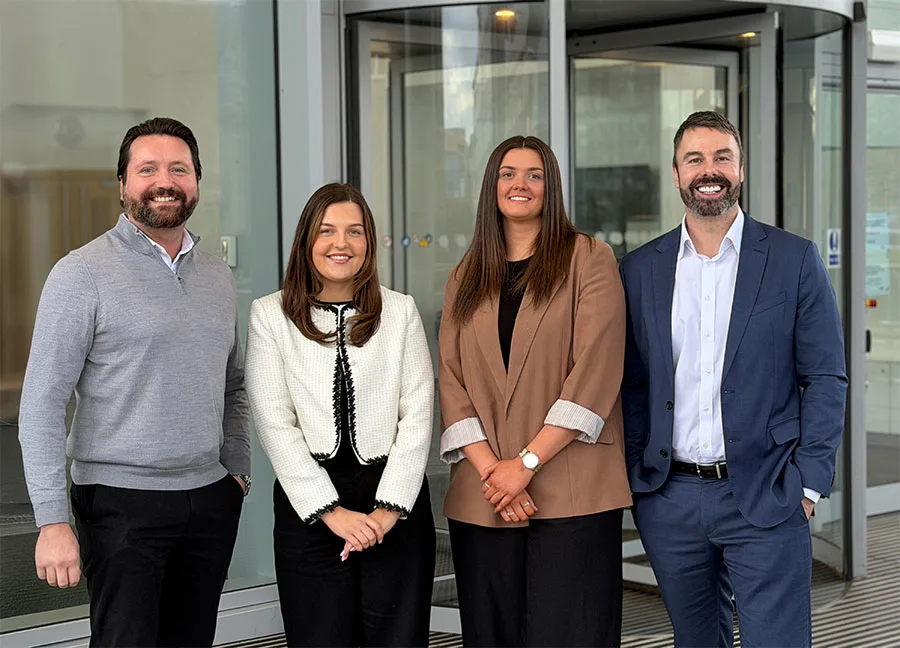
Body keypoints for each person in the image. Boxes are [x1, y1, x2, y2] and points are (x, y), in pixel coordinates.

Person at [18, 117, 251, 647]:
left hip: (209, 497)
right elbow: (41, 405)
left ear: (196, 181)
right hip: (120, 503)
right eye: (147, 169)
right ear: (123, 184)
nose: (163, 180)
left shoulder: (216, 275)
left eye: (178, 168)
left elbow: (232, 386)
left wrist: (236, 473)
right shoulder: (81, 274)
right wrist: (52, 519)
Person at [620, 111, 847, 648]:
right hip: (669, 499)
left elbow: (826, 377)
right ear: (676, 174)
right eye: (694, 158)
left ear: (740, 169)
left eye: (722, 156)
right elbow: (631, 382)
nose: (709, 169)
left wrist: (808, 483)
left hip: (768, 493)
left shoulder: (793, 259)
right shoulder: (638, 269)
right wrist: (636, 473)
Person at [438, 135, 631, 648]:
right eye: (507, 173)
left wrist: (522, 465)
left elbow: (596, 370)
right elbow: (451, 379)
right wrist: (493, 473)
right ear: (491, 187)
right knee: (490, 635)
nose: (519, 184)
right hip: (486, 496)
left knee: (571, 635)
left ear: (551, 187)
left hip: (571, 490)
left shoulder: (589, 258)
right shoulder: (465, 275)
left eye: (534, 174)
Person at [245, 182, 435, 647]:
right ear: (307, 240)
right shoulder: (269, 315)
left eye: (355, 231)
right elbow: (274, 423)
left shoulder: (401, 311)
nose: (341, 244)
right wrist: (332, 514)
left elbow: (418, 412)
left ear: (369, 242)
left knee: (398, 636)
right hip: (309, 506)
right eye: (327, 231)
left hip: (395, 500)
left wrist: (387, 512)